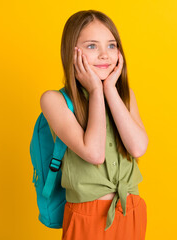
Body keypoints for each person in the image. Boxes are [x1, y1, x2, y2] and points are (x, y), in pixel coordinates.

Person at [40, 9, 148, 240]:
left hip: (130, 209)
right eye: (92, 46)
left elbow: (138, 148)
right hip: (86, 216)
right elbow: (95, 153)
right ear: (72, 51)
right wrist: (95, 90)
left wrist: (110, 89)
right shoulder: (54, 100)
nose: (104, 55)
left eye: (111, 45)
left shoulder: (124, 96)